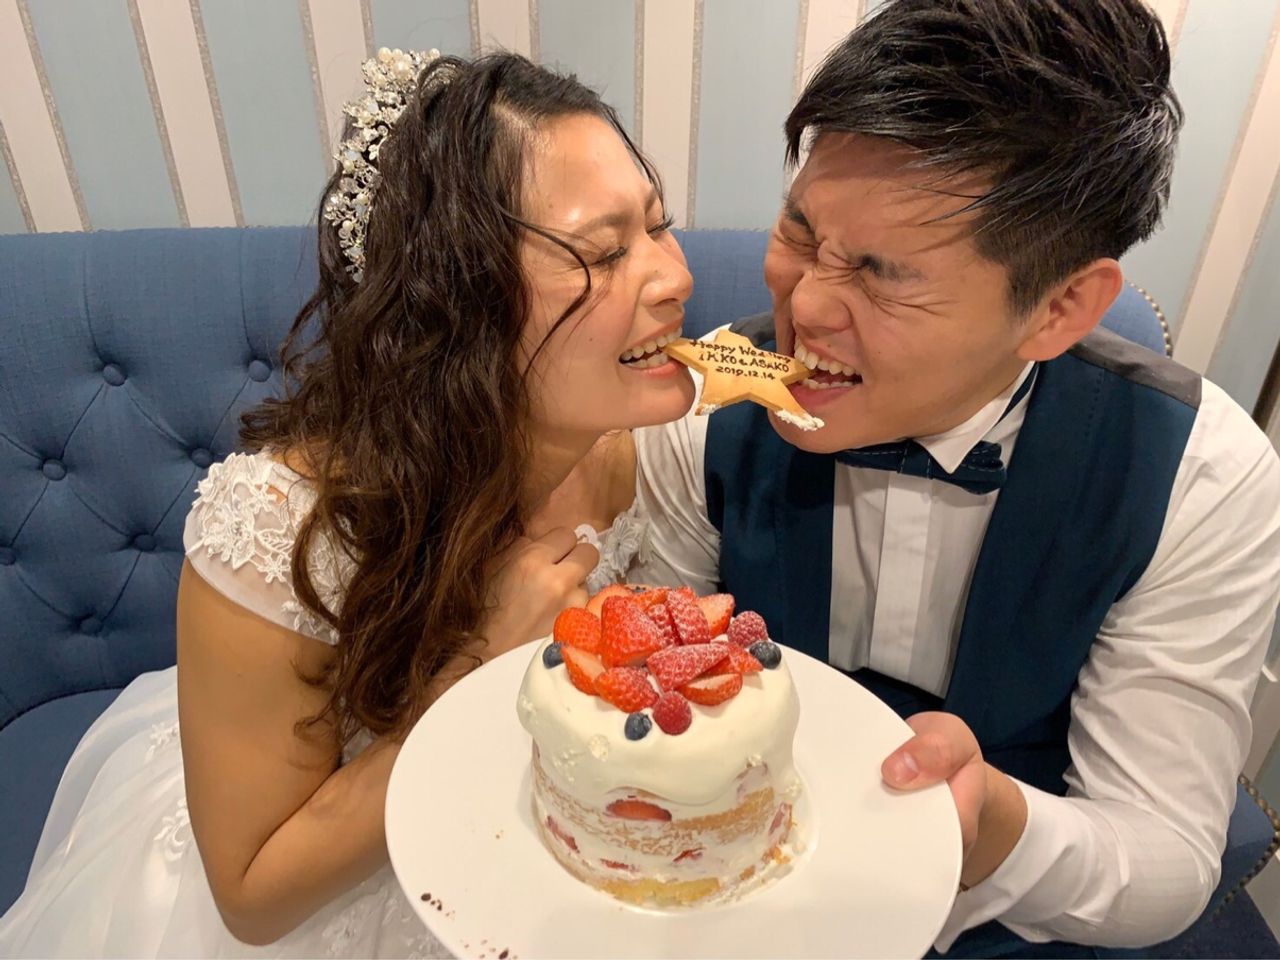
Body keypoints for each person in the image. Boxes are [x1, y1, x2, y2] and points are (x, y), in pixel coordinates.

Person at [0, 50, 693, 957]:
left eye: (659, 225)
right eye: (605, 251)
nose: (674, 277)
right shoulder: (280, 529)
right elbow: (253, 899)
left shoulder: (649, 446)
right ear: (457, 302)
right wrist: (470, 674)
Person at [629, 0, 1280, 955]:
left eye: (883, 274)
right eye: (801, 233)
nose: (805, 306)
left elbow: (1163, 858)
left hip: (1020, 917)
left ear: (1059, 308)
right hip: (735, 873)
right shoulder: (705, 405)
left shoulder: (1199, 476)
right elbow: (652, 685)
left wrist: (995, 825)